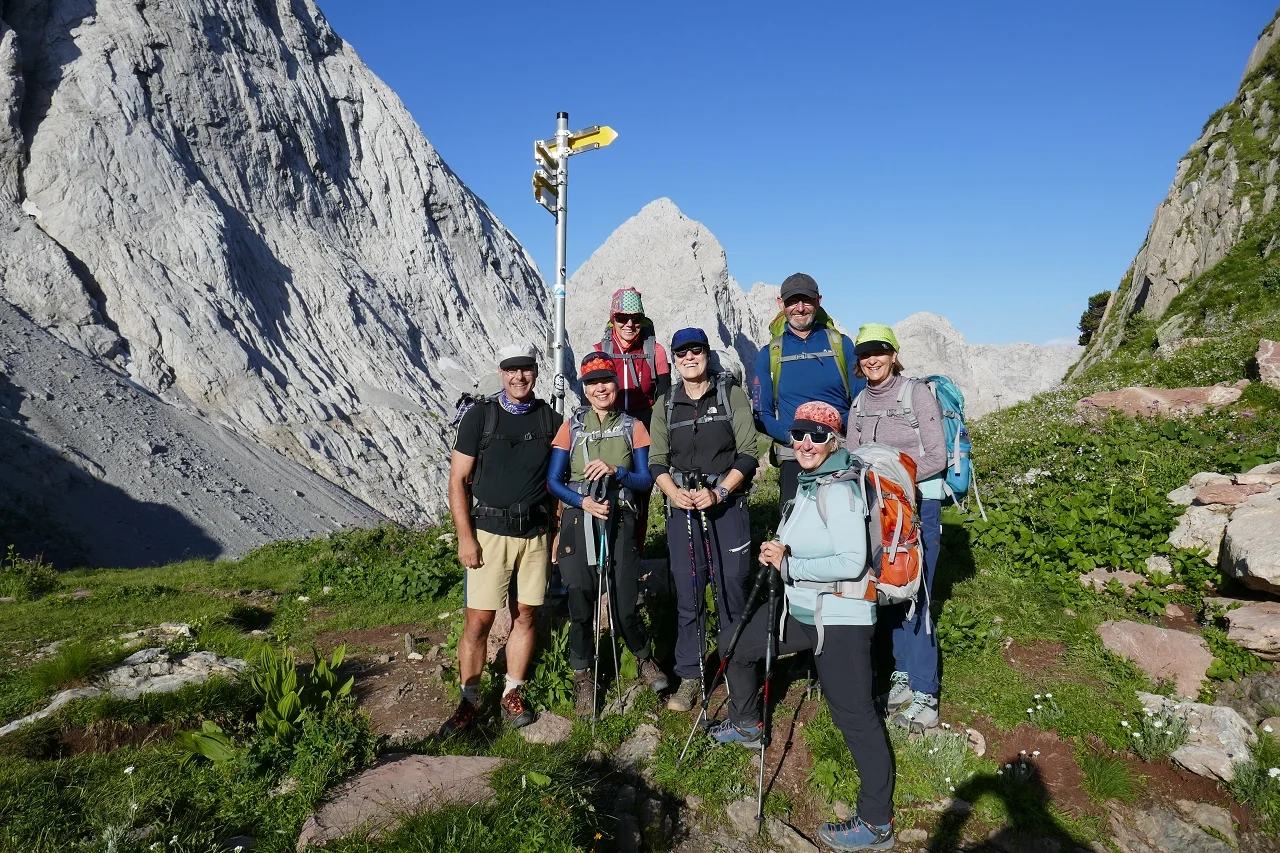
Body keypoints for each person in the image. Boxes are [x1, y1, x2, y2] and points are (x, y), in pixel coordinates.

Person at [709, 401, 895, 851]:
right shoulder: (812, 484)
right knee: (734, 642)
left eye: (816, 434)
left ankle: (876, 823)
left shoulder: (840, 490)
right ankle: (748, 724)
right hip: (802, 610)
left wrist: (790, 563)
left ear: (834, 439)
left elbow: (852, 563)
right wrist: (781, 551)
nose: (805, 443)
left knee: (853, 715)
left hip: (840, 617)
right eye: (798, 434)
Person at [442, 343, 562, 736]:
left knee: (526, 616)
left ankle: (512, 692)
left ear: (536, 371)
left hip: (535, 535)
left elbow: (558, 483)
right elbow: (457, 480)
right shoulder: (480, 417)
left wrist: (557, 534)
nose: (519, 377)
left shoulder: (551, 419)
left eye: (525, 369)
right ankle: (468, 701)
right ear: (501, 372)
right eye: (511, 371)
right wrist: (465, 537)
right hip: (488, 533)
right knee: (478, 621)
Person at [548, 352, 669, 714]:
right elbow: (553, 481)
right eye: (593, 383)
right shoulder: (570, 427)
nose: (601, 388)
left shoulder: (635, 427)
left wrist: (617, 471)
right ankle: (583, 675)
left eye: (606, 381)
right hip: (578, 520)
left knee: (624, 598)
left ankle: (644, 660)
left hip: (620, 519)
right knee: (581, 601)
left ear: (617, 384)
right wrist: (582, 501)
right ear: (585, 389)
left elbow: (646, 480)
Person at [648, 328, 760, 712]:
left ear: (707, 355)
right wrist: (671, 492)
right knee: (689, 591)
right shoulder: (665, 403)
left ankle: (740, 671)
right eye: (681, 353)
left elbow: (748, 454)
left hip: (727, 506)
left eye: (696, 351)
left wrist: (720, 492)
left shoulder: (730, 396)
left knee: (732, 587)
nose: (689, 358)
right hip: (683, 509)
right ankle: (691, 677)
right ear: (675, 360)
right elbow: (656, 461)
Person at [847, 323, 946, 732]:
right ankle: (903, 678)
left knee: (918, 595)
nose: (872, 359)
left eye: (879, 351)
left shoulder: (915, 393)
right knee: (891, 590)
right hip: (879, 513)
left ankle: (927, 696)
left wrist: (894, 480)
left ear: (893, 354)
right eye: (865, 353)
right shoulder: (857, 404)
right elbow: (853, 457)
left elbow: (937, 454)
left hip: (920, 507)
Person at [751, 273, 864, 509]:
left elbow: (861, 401)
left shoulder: (841, 345)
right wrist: (794, 437)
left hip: (839, 452)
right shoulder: (770, 353)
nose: (800, 308)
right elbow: (761, 414)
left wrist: (834, 432)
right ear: (781, 304)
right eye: (793, 301)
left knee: (845, 520)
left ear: (819, 301)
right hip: (795, 456)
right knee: (793, 530)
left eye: (807, 300)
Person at [593, 287, 671, 554]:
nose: (629, 324)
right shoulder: (600, 351)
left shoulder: (655, 351)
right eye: (622, 317)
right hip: (609, 427)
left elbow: (664, 396)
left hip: (643, 430)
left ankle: (633, 553)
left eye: (635, 318)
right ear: (612, 317)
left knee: (640, 495)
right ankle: (607, 554)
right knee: (606, 491)